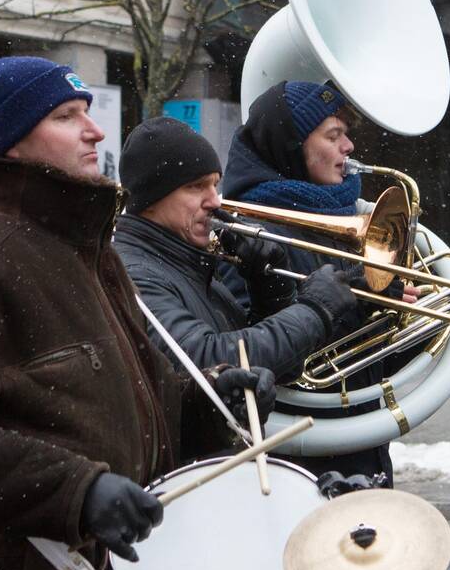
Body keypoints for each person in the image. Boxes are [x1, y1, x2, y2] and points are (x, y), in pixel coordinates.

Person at [0, 56, 276, 570]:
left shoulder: (90, 251)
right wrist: (77, 493)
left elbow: (123, 396)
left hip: (124, 567)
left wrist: (208, 397)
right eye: (66, 116)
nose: (95, 129)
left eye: (86, 110)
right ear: (13, 141)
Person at [221, 81, 450, 483]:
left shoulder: (342, 221)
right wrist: (358, 302)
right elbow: (258, 355)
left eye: (347, 135)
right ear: (292, 146)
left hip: (359, 450)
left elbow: (377, 358)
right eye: (333, 135)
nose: (349, 147)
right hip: (298, 461)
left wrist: (442, 296)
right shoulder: (248, 238)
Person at [112, 116, 360, 383]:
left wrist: (269, 287)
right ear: (152, 198)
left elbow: (280, 370)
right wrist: (314, 310)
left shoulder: (189, 264)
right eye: (196, 186)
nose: (214, 201)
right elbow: (204, 361)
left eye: (214, 185)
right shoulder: (135, 274)